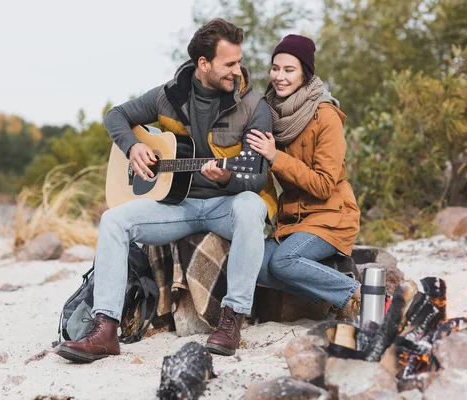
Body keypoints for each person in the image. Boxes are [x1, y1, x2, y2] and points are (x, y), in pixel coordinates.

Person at [57, 18, 278, 363]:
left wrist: (228, 180)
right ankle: (105, 328)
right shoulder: (168, 96)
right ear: (203, 64)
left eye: (239, 61)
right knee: (114, 220)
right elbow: (115, 116)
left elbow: (258, 176)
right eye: (229, 63)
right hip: (179, 205)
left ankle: (232, 318)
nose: (238, 70)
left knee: (251, 205)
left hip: (227, 204)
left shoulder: (253, 105)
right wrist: (133, 147)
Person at [247, 34, 361, 321]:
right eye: (275, 68)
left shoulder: (326, 116)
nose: (279, 77)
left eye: (289, 70)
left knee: (284, 261)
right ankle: (329, 299)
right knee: (254, 264)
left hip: (331, 215)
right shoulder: (270, 114)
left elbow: (324, 185)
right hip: (293, 219)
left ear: (305, 73)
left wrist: (276, 157)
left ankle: (359, 293)